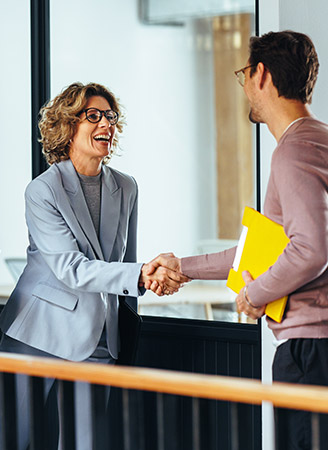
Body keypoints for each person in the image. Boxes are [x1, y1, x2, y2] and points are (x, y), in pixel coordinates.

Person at [146, 31, 328, 450]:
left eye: (244, 74)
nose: (243, 85)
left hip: (311, 351)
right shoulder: (326, 142)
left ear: (261, 75)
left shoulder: (296, 151)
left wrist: (255, 294)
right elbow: (264, 249)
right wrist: (182, 267)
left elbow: (311, 251)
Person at [0, 82, 188, 449]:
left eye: (111, 116)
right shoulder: (42, 191)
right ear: (68, 126)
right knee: (13, 438)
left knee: (85, 442)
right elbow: (72, 267)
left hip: (98, 336)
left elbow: (127, 262)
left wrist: (150, 277)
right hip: (36, 335)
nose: (106, 124)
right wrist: (141, 273)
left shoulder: (127, 187)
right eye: (94, 116)